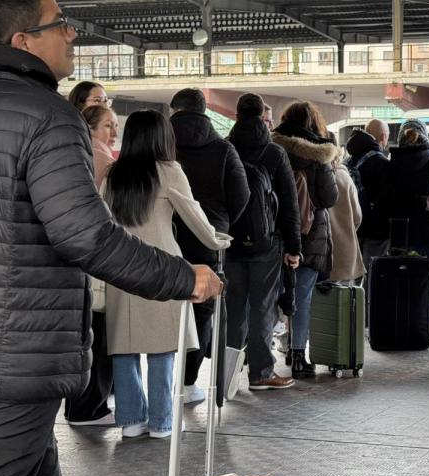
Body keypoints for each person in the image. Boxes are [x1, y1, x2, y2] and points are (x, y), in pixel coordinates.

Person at [0, 0, 222, 476]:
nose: (72, 33)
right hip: (19, 355)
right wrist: (185, 277)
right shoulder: (48, 117)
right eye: (61, 23)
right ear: (23, 40)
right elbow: (86, 235)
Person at [102, 110, 230, 438]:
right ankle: (162, 422)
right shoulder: (169, 171)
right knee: (163, 346)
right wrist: (217, 240)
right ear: (162, 138)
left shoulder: (113, 175)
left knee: (124, 345)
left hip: (120, 267)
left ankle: (130, 421)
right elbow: (194, 214)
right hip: (162, 267)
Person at [168, 88, 250, 405]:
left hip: (167, 236)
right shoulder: (223, 148)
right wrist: (220, 222)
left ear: (174, 110)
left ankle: (160, 385)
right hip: (208, 240)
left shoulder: (162, 144)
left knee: (164, 305)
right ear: (204, 111)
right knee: (202, 311)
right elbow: (241, 194)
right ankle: (188, 384)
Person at [225, 93, 301, 390]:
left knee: (233, 308)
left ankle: (227, 378)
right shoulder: (274, 152)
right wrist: (294, 247)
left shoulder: (225, 148)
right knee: (262, 308)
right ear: (262, 118)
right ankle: (260, 373)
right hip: (267, 244)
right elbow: (289, 204)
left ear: (237, 115)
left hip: (230, 242)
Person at [62, 103, 121, 427]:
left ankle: (83, 405)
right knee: (99, 335)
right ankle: (90, 406)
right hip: (97, 258)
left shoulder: (77, 152)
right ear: (91, 129)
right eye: (107, 126)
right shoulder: (100, 159)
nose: (113, 132)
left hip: (78, 257)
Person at [272, 101, 339, 378]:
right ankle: (298, 355)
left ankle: (256, 355)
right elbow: (329, 198)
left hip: (274, 233)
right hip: (311, 236)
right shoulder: (320, 154)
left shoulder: (272, 148)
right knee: (302, 297)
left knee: (269, 295)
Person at [383, 119, 429, 334]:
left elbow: (390, 196)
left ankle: (411, 318)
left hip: (403, 230)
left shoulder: (392, 163)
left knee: (409, 276)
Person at [345, 118, 390, 305]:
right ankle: (368, 320)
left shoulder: (348, 160)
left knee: (351, 276)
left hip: (351, 227)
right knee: (373, 276)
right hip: (376, 230)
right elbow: (387, 199)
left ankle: (349, 315)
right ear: (383, 137)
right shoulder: (381, 162)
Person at [328, 142, 365, 285]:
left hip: (317, 255)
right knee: (342, 302)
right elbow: (357, 217)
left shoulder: (312, 174)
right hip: (345, 255)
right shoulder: (344, 177)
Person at [81, 105, 119, 189]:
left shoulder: (73, 151)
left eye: (116, 126)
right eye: (108, 126)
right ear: (89, 129)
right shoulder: (106, 164)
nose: (115, 133)